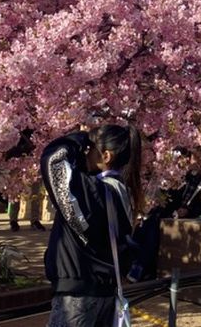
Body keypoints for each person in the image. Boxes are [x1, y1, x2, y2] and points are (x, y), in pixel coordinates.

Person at [41, 124, 143, 327]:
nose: (85, 153)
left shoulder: (95, 192)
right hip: (104, 291)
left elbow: (53, 162)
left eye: (90, 149)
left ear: (106, 156)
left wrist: (74, 140)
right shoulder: (120, 190)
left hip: (78, 296)